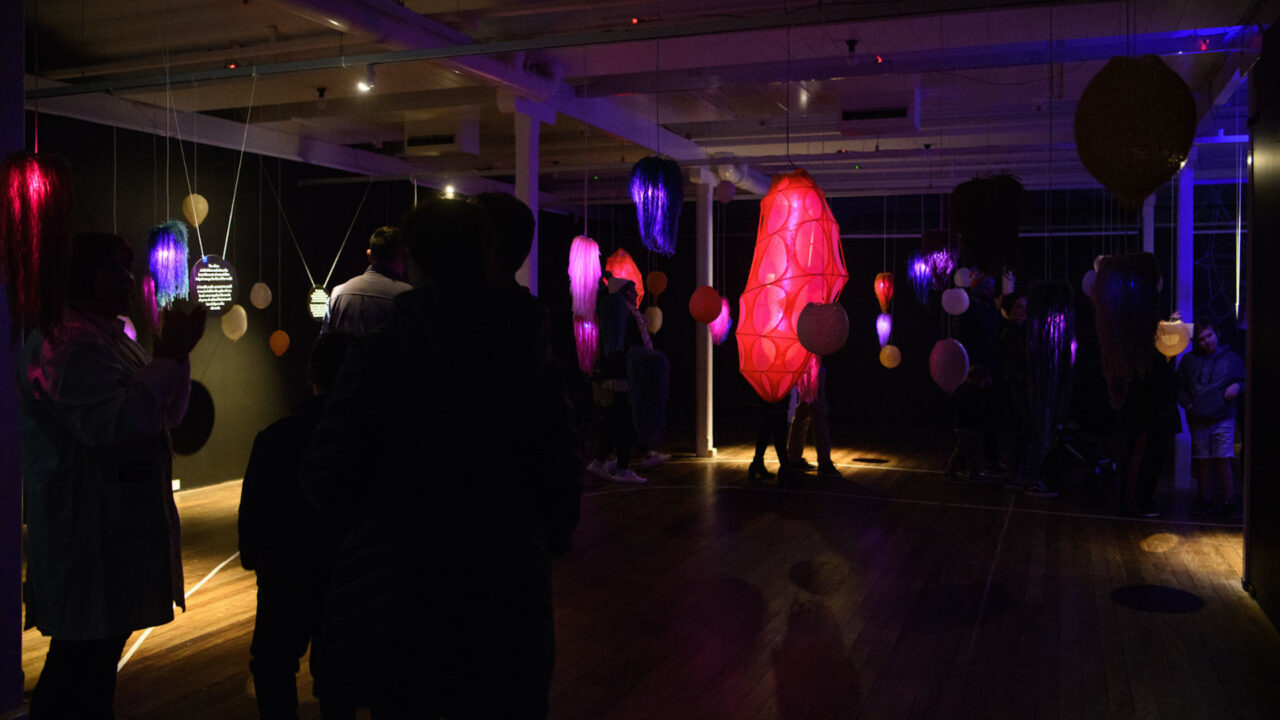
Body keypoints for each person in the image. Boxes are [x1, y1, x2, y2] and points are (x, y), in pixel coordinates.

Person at [302, 198, 581, 717]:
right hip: (506, 584)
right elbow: (560, 467)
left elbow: (328, 473)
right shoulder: (523, 351)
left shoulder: (381, 355)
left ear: (415, 260)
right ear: (485, 255)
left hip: (399, 590)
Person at [19, 232, 205, 719]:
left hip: (109, 534)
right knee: (79, 665)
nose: (126, 279)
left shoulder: (103, 335)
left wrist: (173, 358)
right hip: (87, 534)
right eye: (113, 268)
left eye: (128, 267)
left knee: (92, 665)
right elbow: (117, 422)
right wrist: (167, 357)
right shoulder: (66, 343)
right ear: (80, 274)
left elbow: (166, 414)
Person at [239, 331, 355, 719]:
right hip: (342, 575)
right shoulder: (364, 440)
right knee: (339, 677)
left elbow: (251, 517)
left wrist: (258, 559)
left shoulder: (274, 438)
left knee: (273, 666)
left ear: (310, 373)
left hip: (284, 573)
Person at [1176, 319, 1245, 518]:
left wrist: (1237, 387)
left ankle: (1228, 501)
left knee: (1223, 458)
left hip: (1223, 416)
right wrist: (1187, 403)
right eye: (1202, 339)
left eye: (1209, 335)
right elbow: (1180, 386)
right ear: (1196, 342)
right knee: (1202, 460)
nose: (1207, 341)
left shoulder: (1232, 359)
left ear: (1217, 334)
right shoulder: (1189, 361)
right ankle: (1204, 499)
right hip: (1198, 418)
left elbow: (1245, 381)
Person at [586, 274, 651, 485]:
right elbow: (622, 346)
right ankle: (622, 468)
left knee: (616, 420)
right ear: (624, 293)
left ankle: (601, 460)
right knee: (625, 422)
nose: (635, 294)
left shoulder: (624, 313)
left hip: (623, 373)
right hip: (623, 375)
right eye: (632, 291)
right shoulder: (621, 314)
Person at [321, 226, 412, 336]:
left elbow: (325, 344)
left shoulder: (337, 293)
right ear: (405, 257)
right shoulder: (409, 297)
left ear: (369, 255)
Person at [787, 359, 841, 479]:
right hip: (811, 364)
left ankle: (794, 457)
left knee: (804, 410)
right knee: (817, 411)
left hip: (807, 364)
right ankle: (824, 461)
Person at [946, 364, 992, 484]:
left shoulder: (963, 389)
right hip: (968, 427)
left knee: (968, 450)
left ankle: (972, 472)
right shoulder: (973, 392)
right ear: (978, 379)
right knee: (966, 450)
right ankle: (953, 472)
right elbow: (973, 411)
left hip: (963, 426)